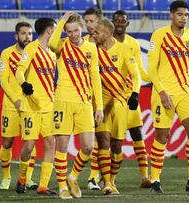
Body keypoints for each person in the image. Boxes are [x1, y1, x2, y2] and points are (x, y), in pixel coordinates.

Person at [147, 0, 189, 194]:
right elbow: (151, 69)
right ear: (171, 15)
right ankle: (155, 180)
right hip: (163, 93)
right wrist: (162, 91)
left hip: (185, 92)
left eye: (186, 15)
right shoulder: (159, 35)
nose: (183, 18)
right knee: (162, 136)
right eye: (180, 14)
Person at [48, 12, 104, 199]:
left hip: (84, 103)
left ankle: (73, 177)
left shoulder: (91, 48)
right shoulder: (61, 46)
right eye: (69, 31)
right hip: (63, 101)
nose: (73, 34)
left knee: (88, 147)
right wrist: (62, 21)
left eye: (76, 30)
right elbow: (51, 44)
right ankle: (62, 185)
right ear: (65, 32)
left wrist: (99, 107)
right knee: (62, 146)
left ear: (82, 28)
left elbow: (95, 77)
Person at [93, 18, 141, 195]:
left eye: (97, 32)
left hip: (120, 102)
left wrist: (135, 93)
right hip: (100, 102)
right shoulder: (92, 49)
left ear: (106, 33)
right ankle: (106, 182)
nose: (93, 34)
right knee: (103, 141)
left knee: (117, 146)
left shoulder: (124, 50)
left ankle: (112, 179)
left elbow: (136, 75)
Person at [14, 17, 57, 195]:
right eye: (56, 29)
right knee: (29, 146)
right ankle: (22, 178)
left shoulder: (54, 52)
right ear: (49, 31)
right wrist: (24, 84)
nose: (58, 32)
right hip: (31, 106)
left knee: (50, 143)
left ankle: (43, 185)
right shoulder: (32, 48)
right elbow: (19, 70)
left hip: (49, 104)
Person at [111, 10, 152, 188]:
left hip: (129, 96)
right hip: (110, 98)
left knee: (137, 134)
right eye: (117, 21)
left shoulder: (133, 43)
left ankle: (144, 176)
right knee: (110, 141)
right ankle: (106, 178)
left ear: (127, 24)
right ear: (112, 23)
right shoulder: (104, 43)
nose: (120, 23)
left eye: (123, 21)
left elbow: (139, 72)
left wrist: (155, 78)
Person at [0, 22, 38, 191]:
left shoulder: (36, 53)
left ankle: (27, 178)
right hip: (11, 105)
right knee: (7, 142)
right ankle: (6, 177)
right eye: (23, 33)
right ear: (16, 36)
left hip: (31, 104)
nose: (27, 37)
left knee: (30, 141)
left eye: (30, 33)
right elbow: (4, 81)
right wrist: (15, 99)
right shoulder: (7, 54)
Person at [83, 7, 103, 190]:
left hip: (112, 96)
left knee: (110, 140)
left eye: (92, 21)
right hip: (89, 97)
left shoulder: (108, 42)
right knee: (96, 137)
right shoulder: (81, 43)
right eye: (86, 21)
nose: (89, 25)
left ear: (100, 21)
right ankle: (93, 177)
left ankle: (105, 176)